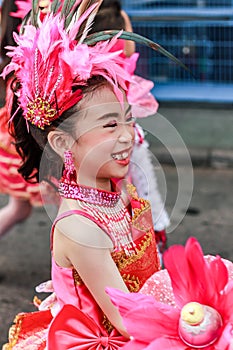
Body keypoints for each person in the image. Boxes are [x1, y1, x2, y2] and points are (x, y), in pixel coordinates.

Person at [1, 0, 168, 348]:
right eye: (110, 125)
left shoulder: (120, 194)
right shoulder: (80, 228)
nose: (127, 135)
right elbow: (127, 321)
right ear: (63, 142)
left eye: (128, 119)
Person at [90, 0, 170, 255]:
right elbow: (128, 54)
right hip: (124, 120)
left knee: (103, 192)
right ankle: (146, 254)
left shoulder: (78, 22)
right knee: (140, 191)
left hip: (95, 126)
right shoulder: (120, 19)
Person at [0, 0, 42, 237]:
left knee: (19, 208)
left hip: (16, 117)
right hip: (29, 120)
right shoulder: (32, 8)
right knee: (66, 210)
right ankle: (67, 273)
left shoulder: (9, 6)